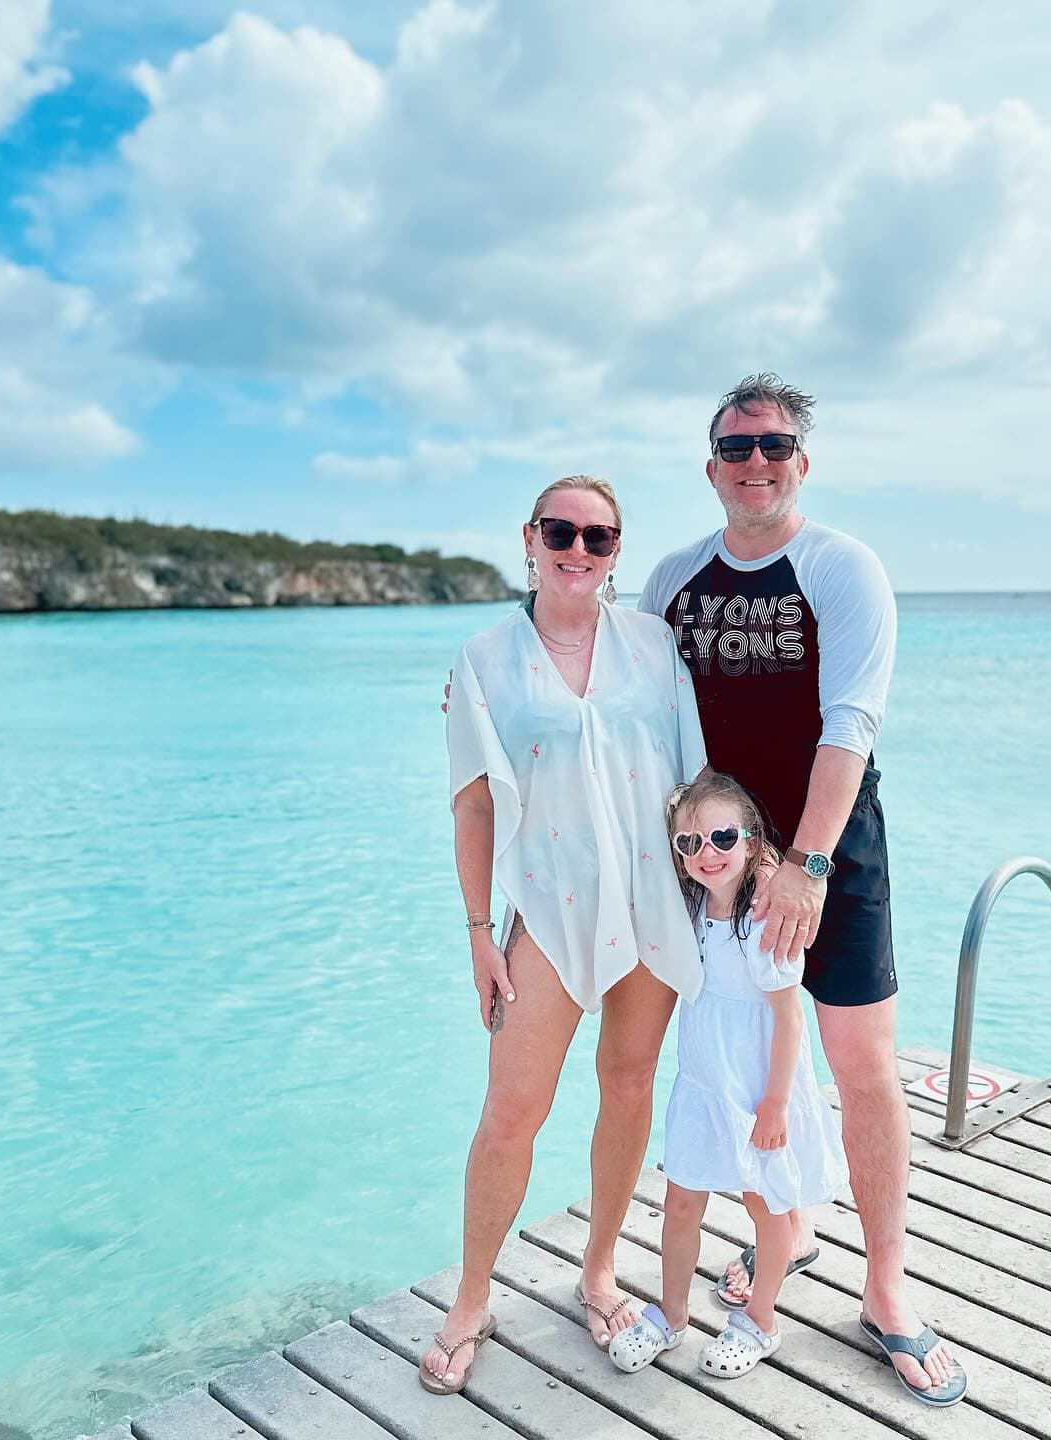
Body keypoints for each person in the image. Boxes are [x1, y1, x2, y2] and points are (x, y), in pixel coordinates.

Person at [638, 375, 967, 1406]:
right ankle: (783, 1237)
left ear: (801, 463)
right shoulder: (674, 580)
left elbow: (849, 725)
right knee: (733, 1060)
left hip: (832, 852)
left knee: (860, 1064)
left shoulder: (841, 568)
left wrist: (812, 864)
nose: (755, 462)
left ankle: (885, 1289)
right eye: (736, 447)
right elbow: (627, 700)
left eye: (774, 445)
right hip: (722, 862)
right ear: (711, 468)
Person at [420, 475, 707, 1395]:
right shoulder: (484, 660)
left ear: (618, 551)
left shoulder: (656, 646)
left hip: (653, 898)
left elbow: (696, 776)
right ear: (530, 538)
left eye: (599, 537)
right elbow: (471, 806)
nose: (578, 550)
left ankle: (597, 1270)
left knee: (627, 1087)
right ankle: (471, 1297)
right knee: (512, 1113)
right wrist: (477, 933)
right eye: (562, 532)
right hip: (543, 910)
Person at [607, 770, 847, 1379]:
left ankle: (760, 1320)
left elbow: (788, 1020)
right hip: (703, 1082)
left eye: (720, 837)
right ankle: (672, 1313)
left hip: (759, 1087)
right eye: (689, 843)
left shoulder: (764, 917)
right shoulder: (693, 909)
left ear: (750, 837)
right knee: (681, 1200)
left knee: (765, 1207)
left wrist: (773, 1106)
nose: (705, 853)